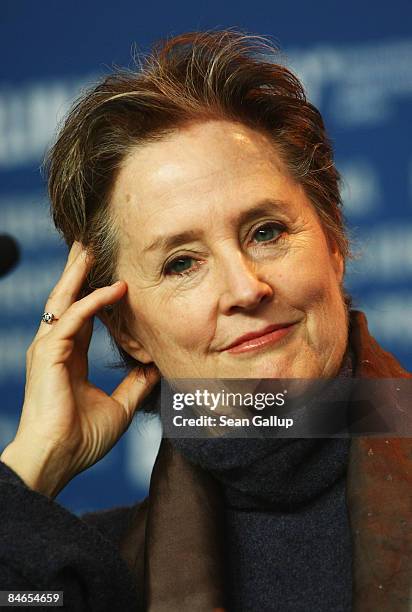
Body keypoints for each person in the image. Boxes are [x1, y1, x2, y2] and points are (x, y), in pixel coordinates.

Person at [0, 30, 410, 611]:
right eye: (181, 263)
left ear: (334, 243)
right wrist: (31, 469)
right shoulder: (90, 576)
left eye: (266, 232)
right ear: (127, 330)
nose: (245, 289)